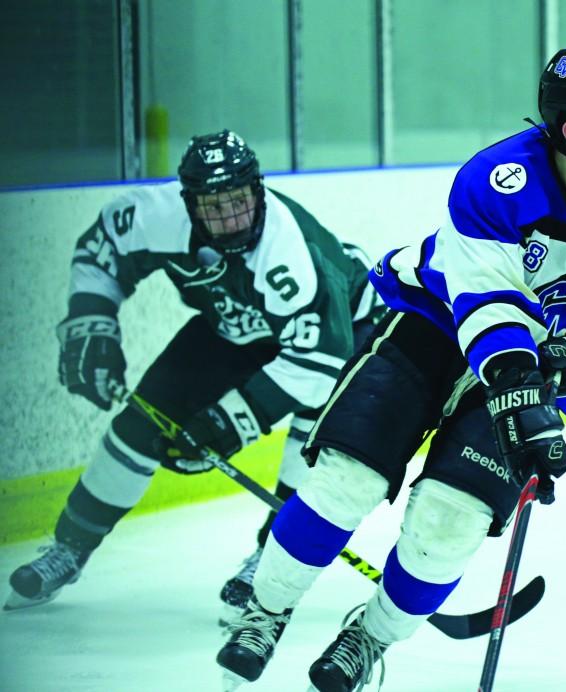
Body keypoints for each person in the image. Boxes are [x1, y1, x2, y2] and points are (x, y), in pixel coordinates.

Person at [217, 42, 566, 691]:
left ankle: (368, 638)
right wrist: (519, 386)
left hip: (548, 366)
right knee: (347, 479)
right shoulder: (499, 179)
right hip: (434, 325)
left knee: (453, 520)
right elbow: (486, 302)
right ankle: (266, 611)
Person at [5, 131, 381, 624]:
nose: (229, 219)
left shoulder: (290, 253)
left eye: (239, 202)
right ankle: (69, 549)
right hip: (234, 323)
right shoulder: (152, 215)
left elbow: (315, 363)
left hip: (342, 334)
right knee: (142, 423)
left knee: (311, 447)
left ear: (259, 191)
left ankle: (270, 564)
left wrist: (226, 425)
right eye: (214, 206)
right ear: (189, 204)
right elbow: (101, 252)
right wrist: (90, 323)